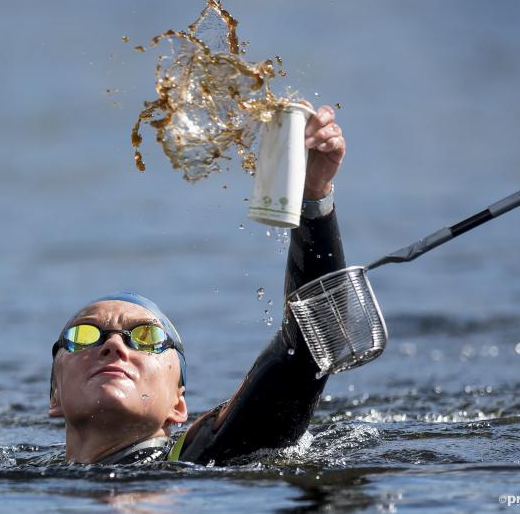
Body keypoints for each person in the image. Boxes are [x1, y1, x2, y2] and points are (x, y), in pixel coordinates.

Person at [49, 102, 347, 464]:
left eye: (146, 337)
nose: (113, 345)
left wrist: (313, 198)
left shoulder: (198, 456)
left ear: (178, 404)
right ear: (54, 396)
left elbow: (312, 344)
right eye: (84, 335)